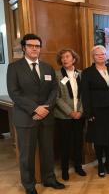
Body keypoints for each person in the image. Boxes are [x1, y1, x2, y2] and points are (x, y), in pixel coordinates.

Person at [7, 34, 65, 194]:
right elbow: (14, 92)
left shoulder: (47, 68)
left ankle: (49, 179)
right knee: (26, 154)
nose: (34, 48)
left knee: (48, 151)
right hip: (26, 118)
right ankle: (28, 184)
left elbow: (54, 89)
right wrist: (35, 109)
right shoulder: (14, 67)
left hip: (46, 117)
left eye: (37, 46)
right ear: (24, 48)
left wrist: (45, 109)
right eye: (31, 45)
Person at [81, 45, 109, 178]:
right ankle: (99, 163)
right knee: (100, 139)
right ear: (93, 57)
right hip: (97, 111)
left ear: (107, 56)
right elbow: (85, 94)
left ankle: (108, 163)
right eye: (97, 54)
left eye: (103, 53)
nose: (100, 56)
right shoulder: (87, 72)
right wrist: (88, 112)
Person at [54, 48, 86, 181]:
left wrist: (80, 111)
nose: (64, 59)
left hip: (79, 115)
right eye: (62, 57)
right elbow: (56, 97)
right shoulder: (56, 75)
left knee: (78, 141)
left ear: (74, 59)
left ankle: (78, 166)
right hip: (63, 116)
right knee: (64, 142)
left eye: (67, 56)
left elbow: (85, 95)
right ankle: (65, 169)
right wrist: (70, 112)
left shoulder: (81, 74)